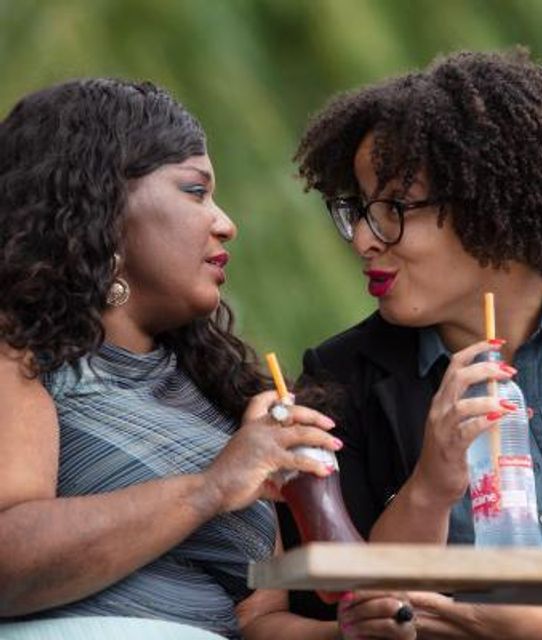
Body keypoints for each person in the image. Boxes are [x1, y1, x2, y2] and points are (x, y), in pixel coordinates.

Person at [0, 79, 416, 640]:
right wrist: (210, 487)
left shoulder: (221, 398)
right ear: (102, 202)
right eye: (196, 191)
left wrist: (349, 632)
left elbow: (255, 620)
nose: (225, 223)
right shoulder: (20, 354)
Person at [281, 49, 542, 639]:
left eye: (394, 209)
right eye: (358, 211)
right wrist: (429, 484)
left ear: (490, 202)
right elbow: (348, 613)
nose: (364, 242)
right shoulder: (342, 379)